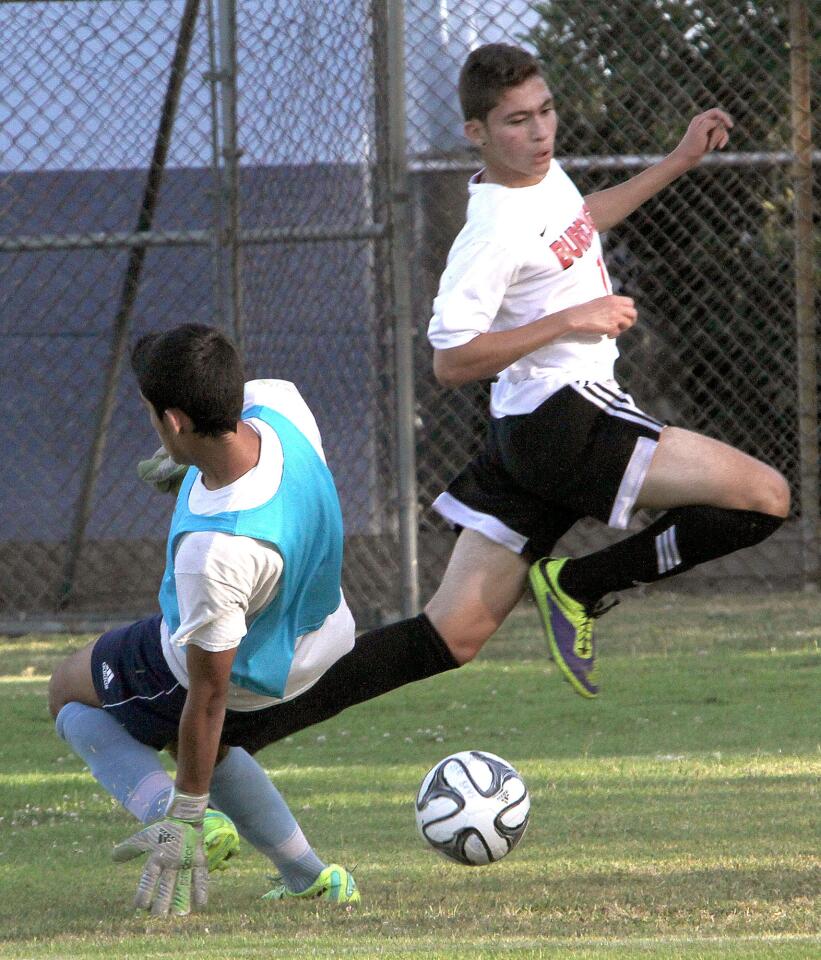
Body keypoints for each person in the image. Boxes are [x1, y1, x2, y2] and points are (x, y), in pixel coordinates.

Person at [420, 42, 790, 697]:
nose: (539, 131)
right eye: (516, 120)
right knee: (763, 497)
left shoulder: (541, 178)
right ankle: (576, 585)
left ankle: (248, 721)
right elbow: (450, 362)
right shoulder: (492, 230)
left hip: (535, 422)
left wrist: (678, 160)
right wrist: (569, 320)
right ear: (475, 132)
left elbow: (580, 222)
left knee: (451, 634)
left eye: (546, 110)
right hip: (563, 415)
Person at [48, 324, 363, 915]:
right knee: (186, 737)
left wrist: (186, 810)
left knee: (69, 692)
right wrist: (186, 467)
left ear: (172, 421)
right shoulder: (283, 403)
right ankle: (311, 878)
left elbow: (209, 694)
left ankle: (188, 820)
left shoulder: (216, 550)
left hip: (245, 671)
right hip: (325, 630)